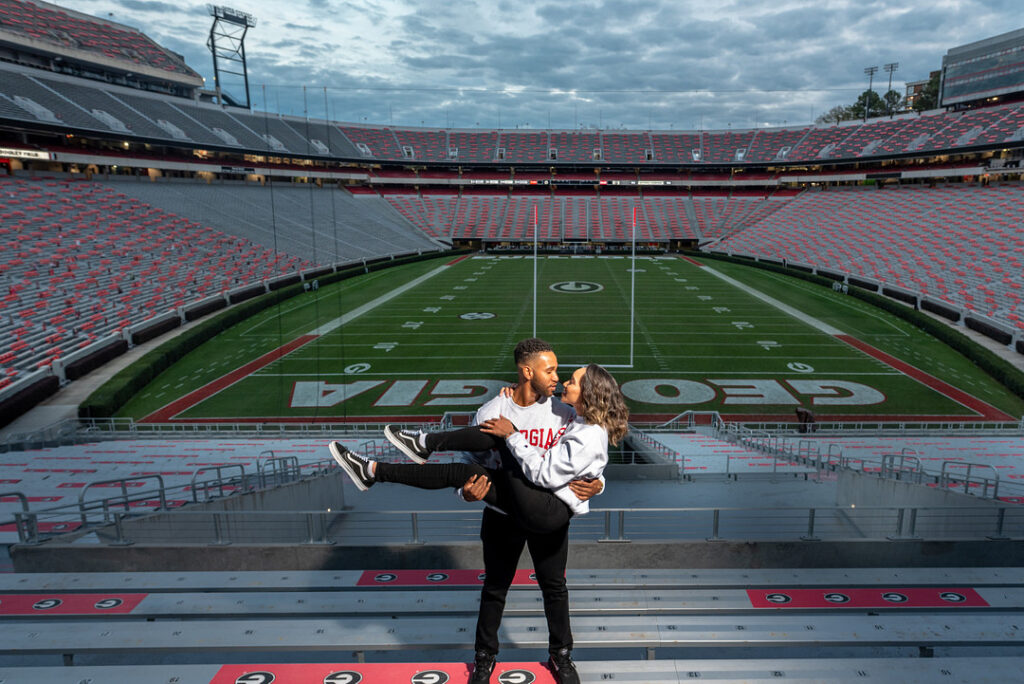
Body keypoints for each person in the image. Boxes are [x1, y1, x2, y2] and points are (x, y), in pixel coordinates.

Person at [331, 339, 624, 684]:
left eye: (561, 374)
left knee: (554, 587)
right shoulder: (491, 411)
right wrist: (466, 493)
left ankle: (561, 655)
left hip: (544, 509)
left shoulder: (565, 411)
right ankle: (485, 657)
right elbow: (469, 465)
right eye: (550, 371)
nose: (558, 379)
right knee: (495, 587)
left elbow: (590, 453)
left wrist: (597, 483)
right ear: (527, 372)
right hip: (503, 511)